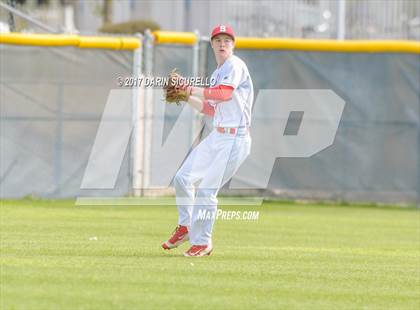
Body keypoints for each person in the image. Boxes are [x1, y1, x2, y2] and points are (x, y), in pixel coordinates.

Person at [162, 25, 254, 257]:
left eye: (227, 40)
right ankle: (186, 227)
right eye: (218, 40)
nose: (223, 44)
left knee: (206, 190)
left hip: (236, 138)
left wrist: (190, 87)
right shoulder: (216, 74)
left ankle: (203, 242)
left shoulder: (235, 65)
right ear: (212, 44)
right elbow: (210, 109)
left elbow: (224, 94)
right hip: (218, 135)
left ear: (233, 45)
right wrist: (186, 96)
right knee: (183, 178)